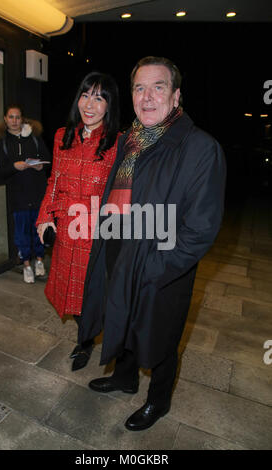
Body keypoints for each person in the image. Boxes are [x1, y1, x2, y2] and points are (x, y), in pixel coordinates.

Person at [78, 56, 227, 431]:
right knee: (123, 319)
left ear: (176, 96)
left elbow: (201, 229)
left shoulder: (199, 148)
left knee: (160, 336)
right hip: (120, 248)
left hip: (161, 265)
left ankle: (158, 400)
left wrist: (155, 267)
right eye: (139, 88)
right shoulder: (130, 139)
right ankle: (125, 378)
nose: (147, 97)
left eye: (158, 87)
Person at [36, 72, 120, 371]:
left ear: (109, 105)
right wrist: (45, 215)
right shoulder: (63, 135)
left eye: (99, 97)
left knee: (92, 296)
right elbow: (54, 181)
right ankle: (84, 340)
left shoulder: (118, 143)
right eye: (86, 95)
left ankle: (88, 342)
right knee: (69, 295)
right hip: (65, 231)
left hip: (96, 236)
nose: (90, 104)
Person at [0, 105, 51, 283]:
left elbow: (48, 160)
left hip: (37, 193)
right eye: (11, 117)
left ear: (22, 119)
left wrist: (41, 165)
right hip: (18, 195)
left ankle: (40, 261)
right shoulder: (2, 143)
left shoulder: (35, 139)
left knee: (39, 230)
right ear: (5, 119)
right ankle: (27, 265)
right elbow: (1, 171)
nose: (14, 121)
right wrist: (13, 166)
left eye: (17, 117)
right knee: (21, 234)